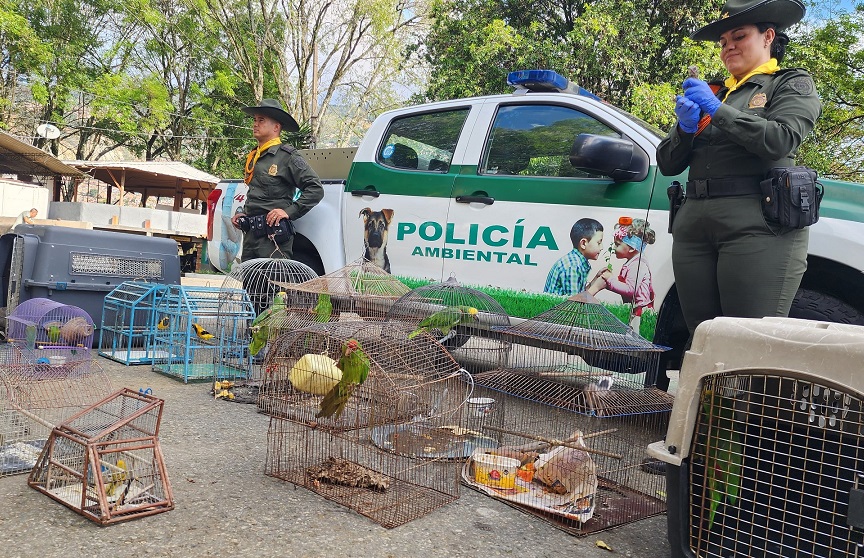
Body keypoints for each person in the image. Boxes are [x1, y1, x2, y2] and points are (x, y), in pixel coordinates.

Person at [656, 0, 821, 341]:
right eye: (723, 42)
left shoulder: (788, 84)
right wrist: (686, 130)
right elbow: (668, 163)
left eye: (739, 36)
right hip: (695, 225)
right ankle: (704, 398)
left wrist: (716, 110)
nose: (728, 46)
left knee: (747, 343)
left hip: (757, 224)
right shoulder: (716, 92)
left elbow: (781, 139)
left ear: (768, 37)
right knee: (701, 339)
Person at [231, 98, 324, 262]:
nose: (255, 124)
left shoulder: (287, 156)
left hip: (273, 238)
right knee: (251, 286)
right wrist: (244, 214)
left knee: (274, 285)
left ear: (276, 127)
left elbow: (315, 189)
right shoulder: (255, 157)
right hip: (251, 237)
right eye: (254, 120)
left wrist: (288, 212)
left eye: (261, 120)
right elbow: (259, 194)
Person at [595, 218, 656, 333]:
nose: (613, 248)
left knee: (635, 336)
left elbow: (630, 290)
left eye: (617, 244)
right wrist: (607, 282)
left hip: (639, 311)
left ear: (632, 247)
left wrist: (610, 280)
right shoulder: (631, 262)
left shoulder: (638, 265)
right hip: (633, 309)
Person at [544, 218, 604, 296]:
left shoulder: (577, 261)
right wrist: (596, 288)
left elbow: (580, 294)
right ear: (583, 243)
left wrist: (596, 279)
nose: (602, 247)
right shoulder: (573, 266)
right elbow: (574, 304)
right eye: (599, 243)